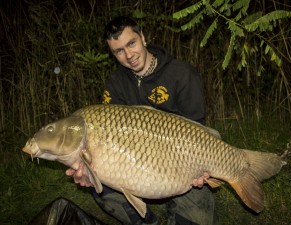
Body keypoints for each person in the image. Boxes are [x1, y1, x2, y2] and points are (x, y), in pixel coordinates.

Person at [66, 16, 216, 225]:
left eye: (131, 43)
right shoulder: (115, 84)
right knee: (98, 184)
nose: (129, 55)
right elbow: (110, 141)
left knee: (197, 216)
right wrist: (89, 171)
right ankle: (146, 221)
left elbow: (198, 130)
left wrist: (199, 168)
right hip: (135, 170)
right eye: (119, 51)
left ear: (143, 38)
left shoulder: (181, 74)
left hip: (181, 168)